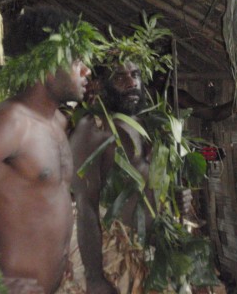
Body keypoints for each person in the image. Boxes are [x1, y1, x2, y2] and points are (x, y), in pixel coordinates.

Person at [0, 5, 93, 294]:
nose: (86, 69)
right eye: (76, 59)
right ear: (47, 67)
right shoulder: (9, 123)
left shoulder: (58, 123)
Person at [70, 61, 201, 294]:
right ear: (100, 85)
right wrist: (95, 277)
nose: (132, 83)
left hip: (161, 252)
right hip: (119, 258)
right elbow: (85, 206)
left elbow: (160, 185)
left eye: (135, 75)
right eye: (120, 78)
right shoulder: (92, 130)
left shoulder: (153, 123)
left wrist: (180, 201)